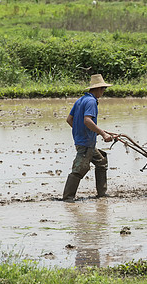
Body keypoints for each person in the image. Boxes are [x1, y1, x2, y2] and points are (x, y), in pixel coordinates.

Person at [62, 74, 113, 202]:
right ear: (98, 89)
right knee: (79, 169)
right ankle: (68, 198)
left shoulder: (81, 100)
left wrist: (85, 131)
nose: (103, 92)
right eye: (103, 89)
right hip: (85, 143)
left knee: (101, 162)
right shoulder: (91, 101)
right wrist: (102, 133)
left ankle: (102, 193)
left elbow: (69, 120)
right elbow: (87, 120)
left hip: (84, 141)